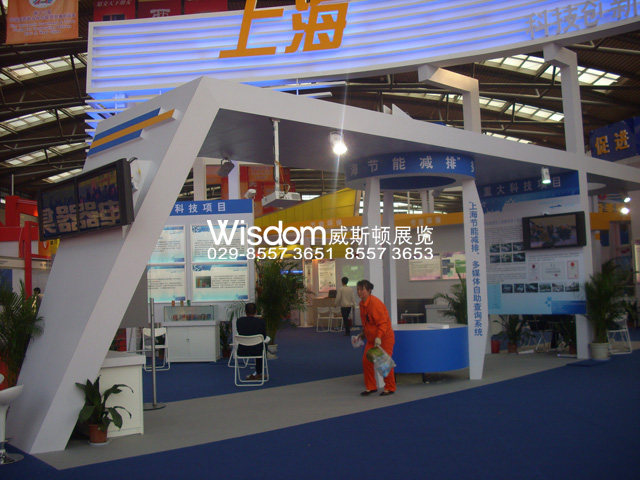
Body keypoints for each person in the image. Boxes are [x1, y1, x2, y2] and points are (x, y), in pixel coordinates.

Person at [356, 279, 396, 396]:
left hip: (384, 338)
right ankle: (371, 387)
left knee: (384, 363)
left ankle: (390, 387)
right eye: (358, 289)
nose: (359, 292)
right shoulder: (362, 304)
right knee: (366, 361)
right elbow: (367, 322)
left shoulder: (375, 303)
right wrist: (363, 334)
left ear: (369, 290)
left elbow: (383, 323)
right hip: (371, 339)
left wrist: (379, 337)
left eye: (362, 289)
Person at [236, 302, 267, 380]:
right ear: (256, 311)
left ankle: (257, 373)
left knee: (259, 345)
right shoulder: (261, 322)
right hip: (257, 351)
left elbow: (240, 333)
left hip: (243, 350)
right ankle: (259, 373)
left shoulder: (239, 321)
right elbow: (263, 336)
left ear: (245, 311)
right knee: (263, 345)